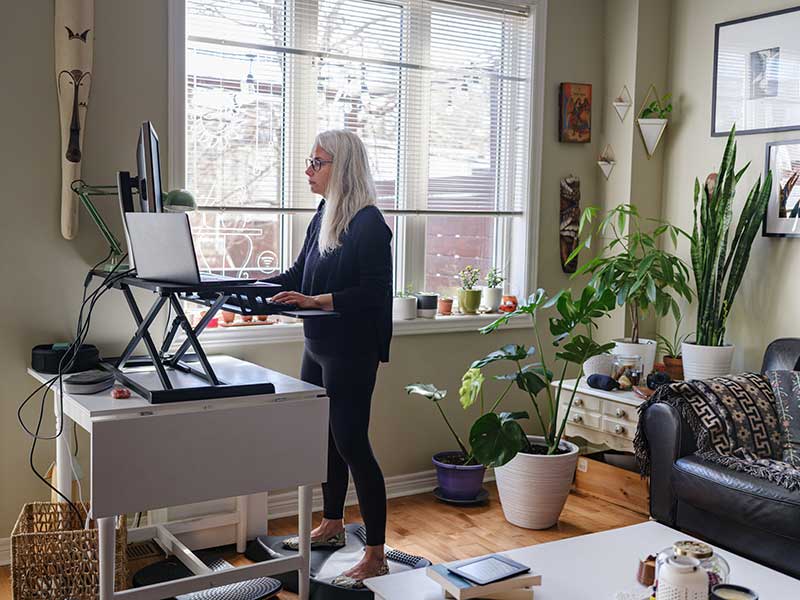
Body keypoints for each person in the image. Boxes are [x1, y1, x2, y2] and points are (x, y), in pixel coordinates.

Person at [267, 129, 393, 588]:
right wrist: (242, 286)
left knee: (352, 444)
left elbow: (374, 295)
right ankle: (333, 524)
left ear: (341, 168)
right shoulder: (325, 215)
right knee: (324, 443)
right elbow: (297, 273)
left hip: (350, 350)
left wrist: (316, 300)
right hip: (316, 345)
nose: (308, 170)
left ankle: (376, 554)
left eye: (316, 162)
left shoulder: (369, 224)